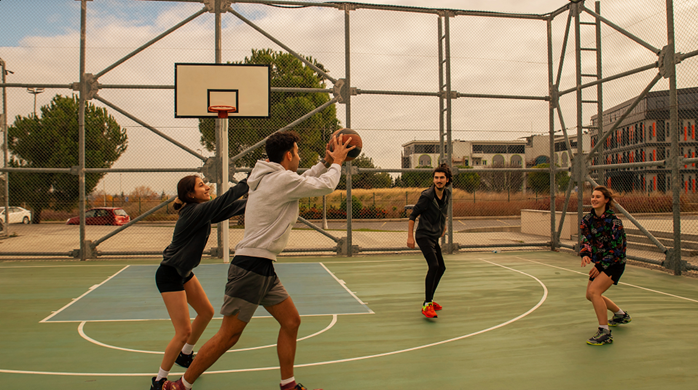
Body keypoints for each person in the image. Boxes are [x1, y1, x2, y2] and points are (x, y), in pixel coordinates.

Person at [163, 130, 355, 390]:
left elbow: (303, 178)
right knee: (228, 336)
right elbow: (324, 185)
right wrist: (337, 163)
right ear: (288, 155)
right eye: (297, 153)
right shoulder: (279, 180)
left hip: (261, 266)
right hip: (251, 268)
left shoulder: (272, 176)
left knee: (291, 321)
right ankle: (181, 385)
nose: (298, 158)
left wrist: (324, 161)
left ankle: (288, 385)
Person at [150, 175, 248, 390]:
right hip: (170, 274)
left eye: (205, 184)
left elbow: (231, 208)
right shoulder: (194, 211)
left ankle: (185, 356)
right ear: (190, 194)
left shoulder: (201, 212)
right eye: (201, 185)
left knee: (206, 312)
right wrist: (247, 182)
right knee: (183, 331)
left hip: (183, 273)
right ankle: (158, 380)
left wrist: (262, 198)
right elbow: (224, 201)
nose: (207, 187)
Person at [580, 185, 631, 346]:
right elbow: (587, 240)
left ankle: (605, 332)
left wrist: (601, 266)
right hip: (601, 263)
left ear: (606, 200)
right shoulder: (587, 220)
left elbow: (617, 249)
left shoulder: (615, 222)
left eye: (598, 197)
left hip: (615, 263)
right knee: (590, 295)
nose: (594, 199)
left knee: (595, 291)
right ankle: (620, 315)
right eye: (593, 196)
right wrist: (586, 254)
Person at [407, 164, 452, 319]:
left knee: (442, 268)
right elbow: (413, 216)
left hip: (433, 236)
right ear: (433, 179)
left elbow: (443, 211)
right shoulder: (427, 196)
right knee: (434, 265)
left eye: (441, 178)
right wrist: (410, 237)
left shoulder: (447, 194)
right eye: (436, 178)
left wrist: (443, 225)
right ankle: (427, 304)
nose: (438, 181)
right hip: (423, 235)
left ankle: (430, 301)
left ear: (447, 180)